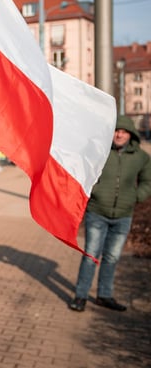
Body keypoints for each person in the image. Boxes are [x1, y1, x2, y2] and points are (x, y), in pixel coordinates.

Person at [68, 115, 151, 312]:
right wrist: (94, 192)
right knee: (90, 256)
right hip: (97, 212)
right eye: (116, 130)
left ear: (131, 134)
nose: (119, 134)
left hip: (124, 215)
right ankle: (80, 296)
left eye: (123, 131)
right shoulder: (100, 153)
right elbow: (83, 172)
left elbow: (148, 182)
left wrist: (135, 196)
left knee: (112, 257)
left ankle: (104, 295)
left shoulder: (141, 158)